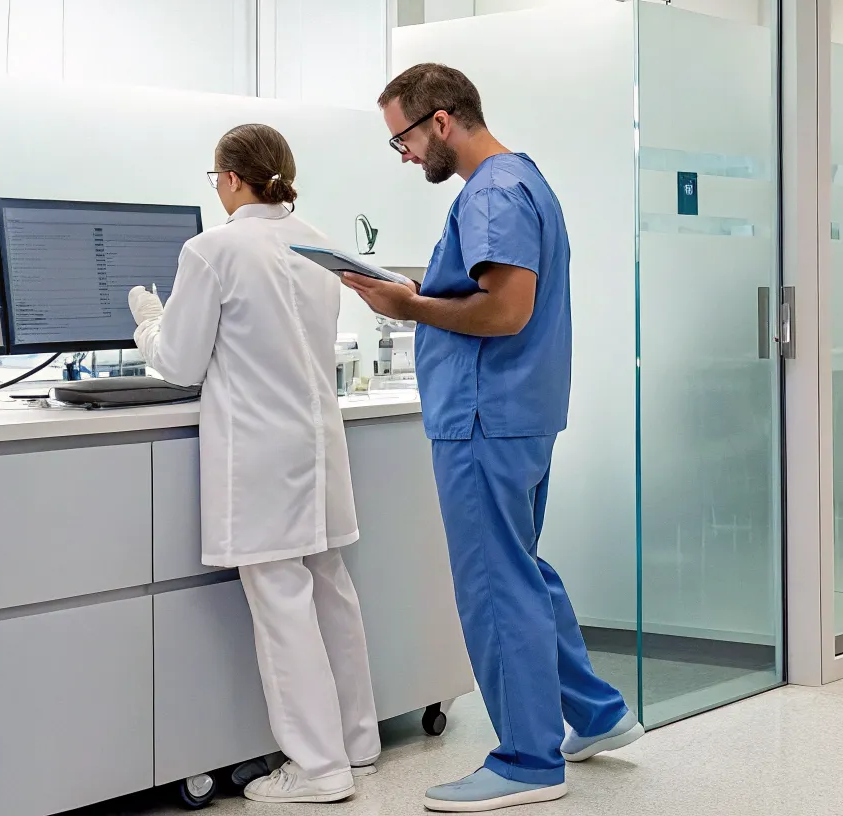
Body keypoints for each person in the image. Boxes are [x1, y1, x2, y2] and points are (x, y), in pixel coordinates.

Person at [343, 63, 641, 811]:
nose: (405, 155)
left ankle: (526, 761)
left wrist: (408, 307)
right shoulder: (524, 180)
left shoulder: (494, 193)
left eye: (403, 139)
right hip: (518, 412)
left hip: (484, 415)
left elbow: (504, 311)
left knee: (493, 582)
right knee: (522, 569)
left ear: (441, 121)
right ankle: (596, 713)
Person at [127, 124, 381, 805]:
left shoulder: (214, 248)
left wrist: (148, 319)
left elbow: (178, 362)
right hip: (317, 447)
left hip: (262, 457)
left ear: (232, 179)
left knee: (281, 603)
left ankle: (318, 769)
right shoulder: (317, 242)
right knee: (331, 588)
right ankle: (357, 744)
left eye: (216, 178)